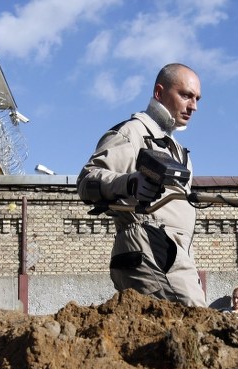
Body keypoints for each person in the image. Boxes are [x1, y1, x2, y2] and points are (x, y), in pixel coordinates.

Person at [77, 63, 206, 307]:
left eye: (197, 99)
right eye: (186, 95)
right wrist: (128, 183)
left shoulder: (178, 151)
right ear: (159, 92)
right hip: (149, 246)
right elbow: (86, 180)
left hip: (175, 253)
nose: (193, 106)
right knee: (195, 317)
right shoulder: (132, 133)